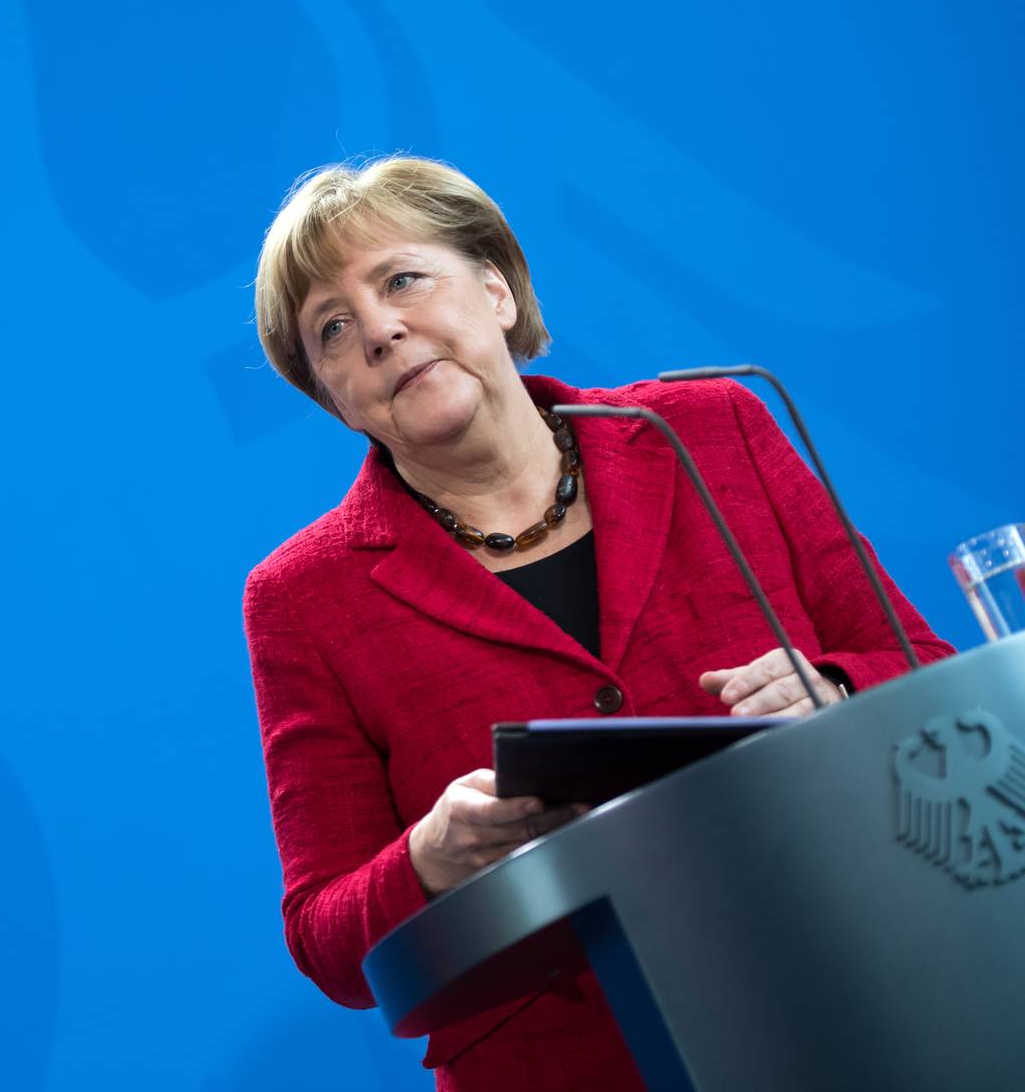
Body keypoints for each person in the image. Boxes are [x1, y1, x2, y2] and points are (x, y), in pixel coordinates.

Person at [243, 156, 952, 1091]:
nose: (378, 329)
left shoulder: (711, 429)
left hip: (853, 983)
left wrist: (840, 693)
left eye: (401, 279)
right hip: (569, 1059)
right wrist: (428, 857)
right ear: (334, 395)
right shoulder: (303, 598)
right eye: (331, 330)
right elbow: (327, 938)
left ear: (496, 289)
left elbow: (929, 674)